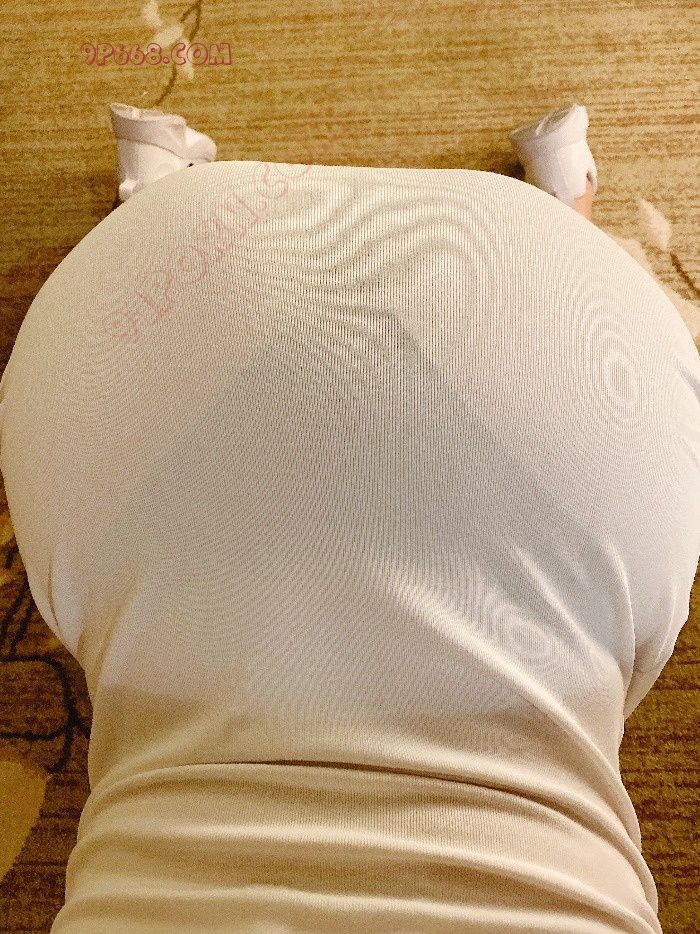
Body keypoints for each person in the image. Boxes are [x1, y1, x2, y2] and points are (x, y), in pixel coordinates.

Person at [0, 103, 697, 933]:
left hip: (562, 317)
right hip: (531, 309)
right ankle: (155, 229)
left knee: (580, 651)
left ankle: (552, 238)